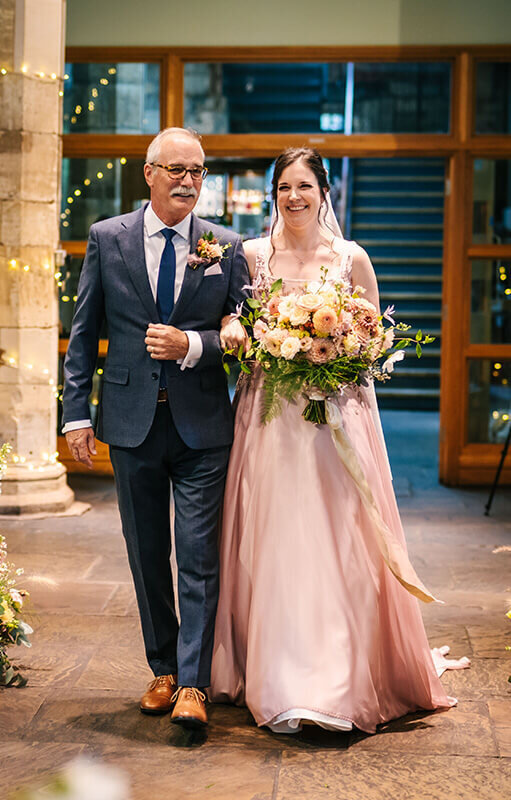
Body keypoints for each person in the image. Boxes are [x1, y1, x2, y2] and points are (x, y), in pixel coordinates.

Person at [210, 147, 467, 734]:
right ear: (273, 195)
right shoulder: (253, 256)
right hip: (270, 421)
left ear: (325, 192)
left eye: (304, 185)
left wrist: (341, 354)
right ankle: (274, 671)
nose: (293, 197)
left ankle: (335, 677)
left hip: (336, 424)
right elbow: (238, 326)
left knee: (336, 540)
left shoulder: (351, 259)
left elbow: (374, 340)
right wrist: (244, 336)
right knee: (274, 538)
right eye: (283, 187)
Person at [62, 127, 250, 729]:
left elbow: (246, 342)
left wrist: (191, 344)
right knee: (146, 555)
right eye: (177, 170)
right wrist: (75, 413)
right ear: (149, 173)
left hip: (201, 429)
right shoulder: (106, 239)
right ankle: (163, 670)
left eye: (198, 172)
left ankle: (193, 685)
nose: (189, 182)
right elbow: (84, 332)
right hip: (130, 423)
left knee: (197, 557)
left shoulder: (227, 245)